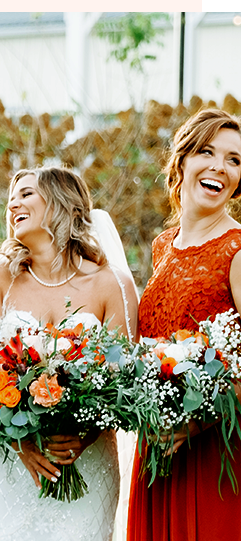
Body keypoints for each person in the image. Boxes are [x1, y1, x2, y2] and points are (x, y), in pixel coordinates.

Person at [0, 166, 139, 541]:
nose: (14, 203)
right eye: (12, 197)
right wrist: (19, 441)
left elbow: (127, 380)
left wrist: (82, 436)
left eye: (26, 194)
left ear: (66, 206)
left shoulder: (110, 283)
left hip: (85, 466)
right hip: (5, 465)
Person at [127, 109, 241, 541]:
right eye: (207, 152)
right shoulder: (162, 247)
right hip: (158, 447)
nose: (220, 167)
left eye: (234, 160)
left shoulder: (237, 250)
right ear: (182, 161)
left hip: (216, 452)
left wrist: (192, 424)